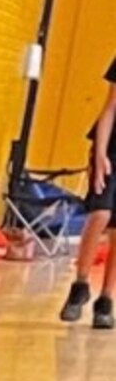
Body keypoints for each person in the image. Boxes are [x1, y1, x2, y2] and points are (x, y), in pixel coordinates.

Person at [60, 61, 116, 324]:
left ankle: (106, 300)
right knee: (100, 213)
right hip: (112, 152)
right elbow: (110, 107)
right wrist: (101, 153)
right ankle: (80, 285)